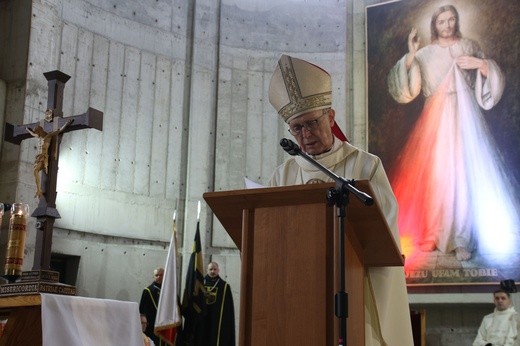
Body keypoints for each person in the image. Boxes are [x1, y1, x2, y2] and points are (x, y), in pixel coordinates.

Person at [268, 54, 413, 346]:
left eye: (311, 123)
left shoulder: (365, 166)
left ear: (331, 117)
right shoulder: (283, 175)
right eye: (296, 128)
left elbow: (383, 228)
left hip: (353, 285)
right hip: (300, 289)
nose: (305, 134)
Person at [387, 4, 519, 262]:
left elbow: (490, 79)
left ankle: (461, 238)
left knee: (463, 176)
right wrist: (411, 55)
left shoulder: (468, 46)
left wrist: (481, 64)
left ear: (456, 22)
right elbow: (407, 91)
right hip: (435, 122)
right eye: (441, 21)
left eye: (450, 20)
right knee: (436, 177)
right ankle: (434, 233)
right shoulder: (425, 54)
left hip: (465, 119)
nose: (446, 25)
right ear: (434, 25)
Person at [26, 115, 73, 198]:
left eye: (37, 132)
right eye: (36, 133)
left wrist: (66, 124)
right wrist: (27, 129)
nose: (37, 134)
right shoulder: (38, 136)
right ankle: (38, 190)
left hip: (44, 158)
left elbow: (59, 131)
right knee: (35, 171)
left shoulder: (48, 136)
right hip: (38, 157)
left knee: (44, 174)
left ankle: (41, 190)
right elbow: (32, 133)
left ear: (40, 131)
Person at [202, 261, 235, 346]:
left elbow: (228, 310)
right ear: (207, 270)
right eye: (210, 269)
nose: (213, 271)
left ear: (218, 270)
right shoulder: (200, 284)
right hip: (202, 320)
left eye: (215, 269)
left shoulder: (224, 287)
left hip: (217, 321)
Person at [139, 267, 164, 346]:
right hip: (152, 327)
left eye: (161, 275)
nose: (159, 277)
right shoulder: (147, 291)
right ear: (153, 277)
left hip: (165, 326)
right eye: (156, 275)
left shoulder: (169, 291)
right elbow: (142, 312)